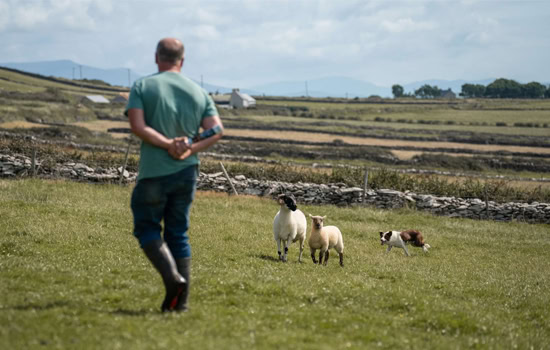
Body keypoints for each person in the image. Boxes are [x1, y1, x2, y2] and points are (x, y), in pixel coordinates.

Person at [125, 37, 223, 312]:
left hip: (154, 171)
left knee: (146, 227)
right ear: (182, 61)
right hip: (186, 171)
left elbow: (137, 125)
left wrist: (168, 144)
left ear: (157, 57)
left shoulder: (143, 86)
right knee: (178, 233)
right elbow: (216, 130)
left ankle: (172, 278)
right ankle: (181, 305)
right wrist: (189, 146)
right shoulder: (198, 92)